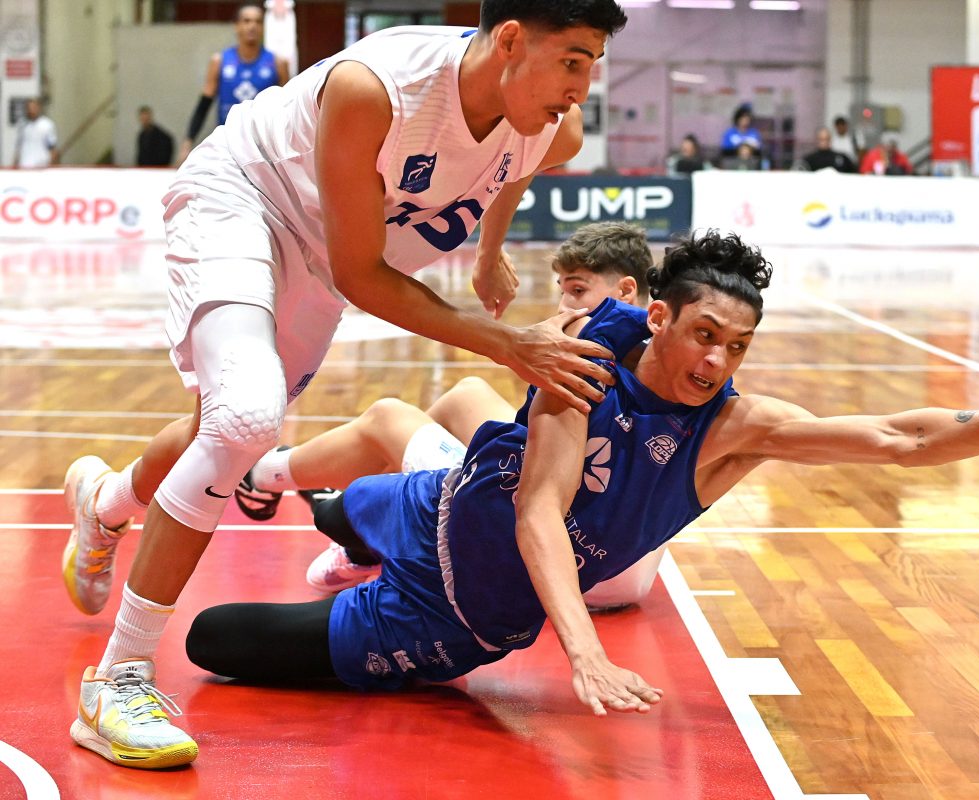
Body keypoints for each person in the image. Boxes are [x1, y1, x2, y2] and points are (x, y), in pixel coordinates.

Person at [183, 230, 979, 725]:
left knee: (213, 640)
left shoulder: (732, 431)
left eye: (738, 346)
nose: (717, 361)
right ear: (658, 318)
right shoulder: (588, 357)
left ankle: (337, 545)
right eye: (704, 335)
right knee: (344, 507)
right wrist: (583, 649)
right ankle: (307, 506)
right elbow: (539, 508)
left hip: (447, 617)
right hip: (437, 503)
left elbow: (899, 436)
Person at [62, 0, 629, 770]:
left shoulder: (553, 122)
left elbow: (515, 166)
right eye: (572, 61)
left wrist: (489, 252)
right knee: (244, 419)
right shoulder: (378, 89)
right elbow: (364, 275)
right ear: (508, 41)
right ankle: (118, 680)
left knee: (221, 428)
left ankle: (104, 505)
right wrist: (508, 344)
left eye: (593, 65)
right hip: (247, 199)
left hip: (323, 257)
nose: (582, 87)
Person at [235, 221, 662, 609]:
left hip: (573, 565)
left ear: (626, 291)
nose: (564, 303)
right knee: (466, 394)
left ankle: (264, 477)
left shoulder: (590, 354)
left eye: (578, 291)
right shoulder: (666, 354)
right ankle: (373, 527)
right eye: (563, 289)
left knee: (388, 417)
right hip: (628, 569)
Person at [179, 4, 291, 161]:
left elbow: (287, 110)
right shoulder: (220, 61)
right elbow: (204, 105)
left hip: (264, 147)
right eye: (247, 21)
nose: (252, 26)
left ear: (263, 27)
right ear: (236, 26)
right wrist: (188, 142)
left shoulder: (278, 63)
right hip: (227, 143)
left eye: (258, 22)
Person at [12, 98, 58, 168]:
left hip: (41, 166)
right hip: (24, 166)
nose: (31, 110)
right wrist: (15, 164)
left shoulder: (47, 125)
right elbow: (19, 148)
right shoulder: (23, 125)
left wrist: (51, 165)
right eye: (29, 108)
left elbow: (52, 148)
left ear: (38, 108)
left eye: (33, 108)